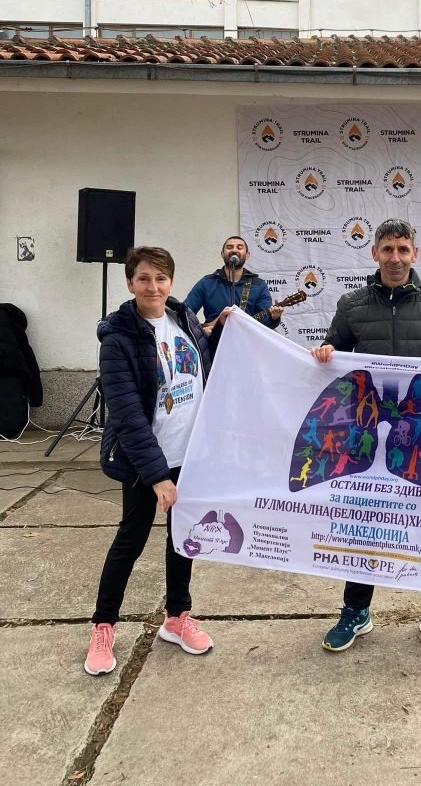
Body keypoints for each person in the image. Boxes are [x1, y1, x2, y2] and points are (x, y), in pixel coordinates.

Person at [311, 218, 421, 657]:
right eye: (388, 250)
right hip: (367, 434)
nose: (396, 258)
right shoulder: (352, 304)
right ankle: (355, 611)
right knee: (363, 523)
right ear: (375, 254)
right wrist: (326, 352)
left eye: (403, 250)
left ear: (415, 254)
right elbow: (332, 351)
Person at [84, 247, 213, 676]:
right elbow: (126, 415)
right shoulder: (118, 338)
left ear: (171, 282)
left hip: (189, 456)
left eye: (160, 278)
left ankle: (177, 617)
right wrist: (157, 475)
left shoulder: (184, 319)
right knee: (131, 540)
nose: (153, 287)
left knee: (183, 539)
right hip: (146, 462)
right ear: (129, 283)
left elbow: (205, 371)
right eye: (143, 278)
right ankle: (103, 626)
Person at [184, 236, 283, 349]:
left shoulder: (258, 285)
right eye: (229, 247)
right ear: (222, 254)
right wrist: (200, 331)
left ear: (247, 255)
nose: (234, 250)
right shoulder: (207, 283)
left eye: (239, 247)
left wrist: (273, 318)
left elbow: (263, 325)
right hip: (213, 348)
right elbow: (185, 313)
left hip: (247, 348)